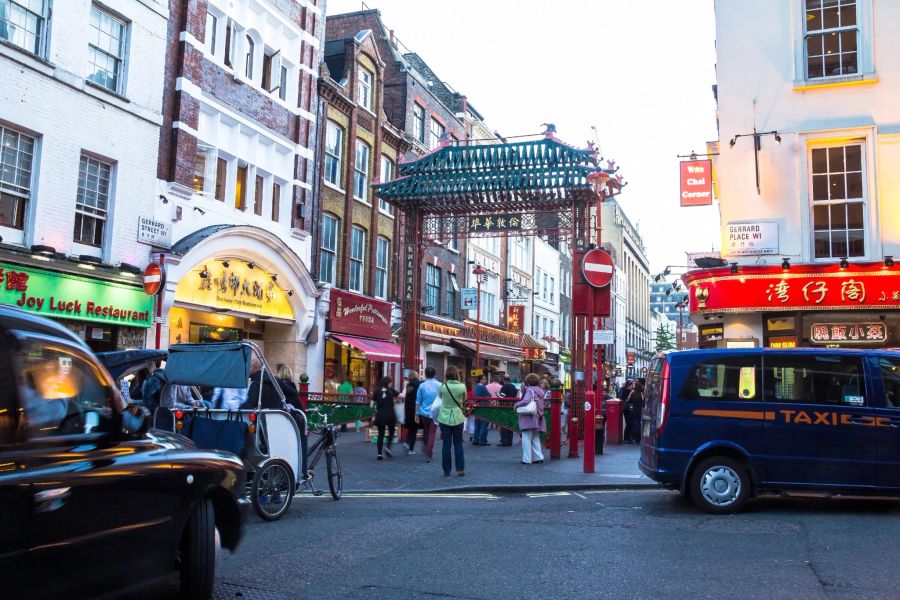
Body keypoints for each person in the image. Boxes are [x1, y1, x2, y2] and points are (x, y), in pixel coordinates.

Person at [437, 366, 467, 476]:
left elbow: (440, 397)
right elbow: (465, 400)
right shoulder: (462, 386)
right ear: (456, 375)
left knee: (446, 445)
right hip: (458, 417)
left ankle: (446, 471)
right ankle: (460, 469)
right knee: (458, 443)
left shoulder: (443, 386)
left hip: (444, 418)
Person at [515, 373, 546, 464]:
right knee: (535, 438)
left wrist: (516, 404)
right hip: (538, 417)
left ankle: (527, 459)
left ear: (528, 381)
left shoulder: (529, 390)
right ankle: (539, 457)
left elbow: (525, 400)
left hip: (529, 417)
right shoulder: (540, 390)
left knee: (526, 438)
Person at [415, 366, 441, 462]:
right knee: (432, 432)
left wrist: (416, 414)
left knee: (426, 431)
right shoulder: (439, 385)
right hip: (435, 412)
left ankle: (426, 448)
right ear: (435, 374)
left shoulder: (422, 386)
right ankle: (428, 453)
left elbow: (418, 401)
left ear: (425, 374)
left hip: (423, 412)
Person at [371, 376, 398, 460]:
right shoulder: (391, 390)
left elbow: (371, 405)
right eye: (390, 382)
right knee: (391, 432)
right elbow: (402, 395)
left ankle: (379, 454)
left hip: (380, 415)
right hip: (390, 415)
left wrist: (375, 410)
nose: (391, 383)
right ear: (387, 383)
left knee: (380, 434)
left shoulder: (376, 391)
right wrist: (406, 385)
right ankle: (388, 447)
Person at [403, 371, 421, 454]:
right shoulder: (418, 384)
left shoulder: (408, 385)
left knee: (410, 428)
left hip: (407, 408)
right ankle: (411, 449)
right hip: (415, 408)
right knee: (414, 430)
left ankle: (406, 442)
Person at [497, 376, 517, 446]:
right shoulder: (513, 386)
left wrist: (498, 396)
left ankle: (504, 441)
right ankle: (510, 440)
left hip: (504, 406)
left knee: (503, 424)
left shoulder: (504, 386)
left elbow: (502, 397)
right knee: (510, 423)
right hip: (512, 406)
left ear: (504, 380)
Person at [472, 374, 491, 446]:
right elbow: (489, 395)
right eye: (484, 379)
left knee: (477, 425)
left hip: (477, 407)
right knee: (484, 424)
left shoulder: (476, 387)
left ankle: (476, 440)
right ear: (480, 380)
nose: (485, 380)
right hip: (484, 407)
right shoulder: (482, 387)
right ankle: (482, 440)